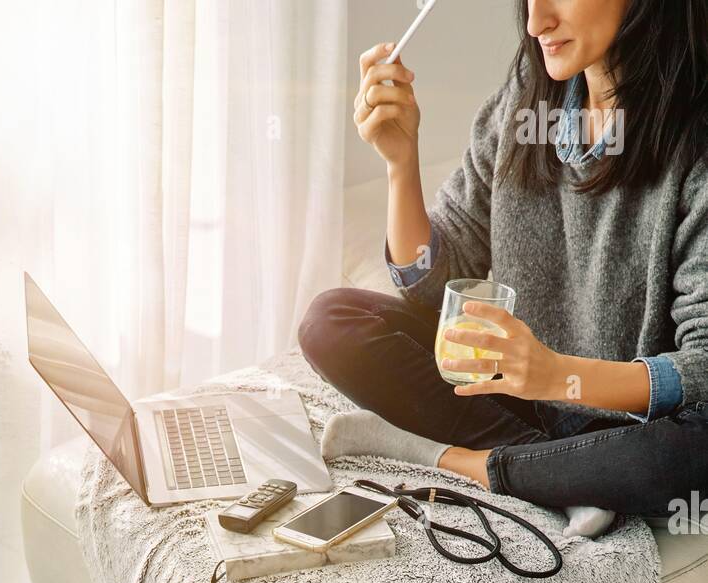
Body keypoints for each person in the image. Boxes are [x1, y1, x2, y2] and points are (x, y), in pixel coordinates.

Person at [299, 0, 708, 521]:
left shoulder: (695, 140)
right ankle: (557, 470)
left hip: (627, 423)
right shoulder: (529, 98)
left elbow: (703, 367)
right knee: (333, 319)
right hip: (516, 395)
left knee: (696, 455)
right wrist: (400, 163)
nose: (537, 23)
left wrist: (558, 375)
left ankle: (465, 461)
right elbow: (436, 283)